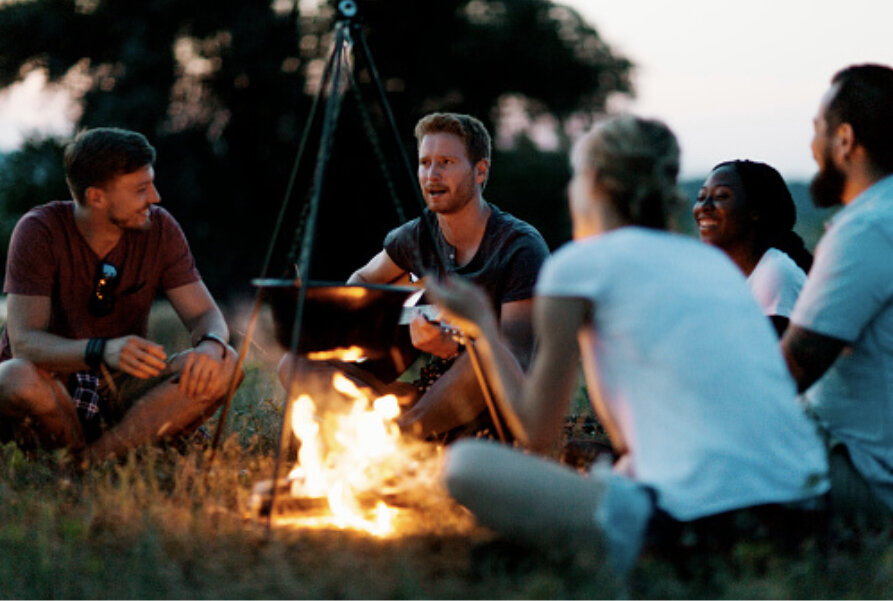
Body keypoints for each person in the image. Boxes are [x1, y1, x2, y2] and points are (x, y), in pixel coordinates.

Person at [424, 115, 829, 575]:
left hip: (702, 523)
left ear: (594, 183)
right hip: (807, 509)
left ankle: (629, 552)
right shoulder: (715, 267)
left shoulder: (580, 266)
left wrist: (479, 323)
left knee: (465, 465)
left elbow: (536, 435)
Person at [279, 112, 549, 441]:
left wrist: (455, 344)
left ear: (480, 171)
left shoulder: (519, 247)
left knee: (487, 355)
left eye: (446, 162)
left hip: (498, 409)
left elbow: (515, 356)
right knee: (296, 363)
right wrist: (389, 315)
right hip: (431, 399)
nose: (432, 175)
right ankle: (375, 430)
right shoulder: (417, 236)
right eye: (424, 162)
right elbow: (362, 280)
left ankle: (394, 440)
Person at [0, 127, 240, 466]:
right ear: (96, 197)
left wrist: (210, 344)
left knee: (225, 363)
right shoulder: (39, 231)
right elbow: (24, 344)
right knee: (13, 376)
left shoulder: (160, 228)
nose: (155, 197)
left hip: (119, 389)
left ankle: (90, 462)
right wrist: (102, 350)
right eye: (141, 189)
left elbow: (205, 316)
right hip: (50, 387)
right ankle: (112, 450)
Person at [782, 64, 893, 529]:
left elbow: (788, 372)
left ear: (844, 140)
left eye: (817, 130)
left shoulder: (867, 230)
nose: (812, 146)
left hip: (865, 474)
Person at [694, 159, 812, 335]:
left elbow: (772, 358)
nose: (705, 207)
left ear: (755, 210)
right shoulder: (726, 276)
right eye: (701, 197)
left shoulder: (775, 273)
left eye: (721, 196)